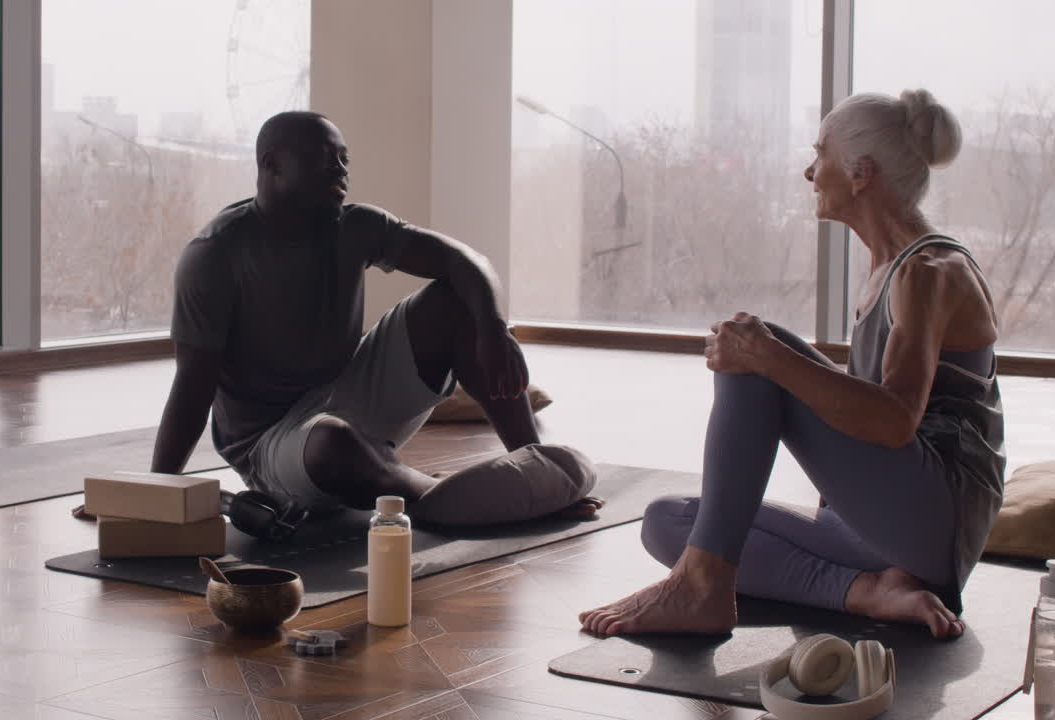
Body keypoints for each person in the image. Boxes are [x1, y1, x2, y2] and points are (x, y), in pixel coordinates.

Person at [579, 89, 1005, 640]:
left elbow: (895, 420)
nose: (810, 171)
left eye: (820, 154)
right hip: (876, 529)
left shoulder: (930, 269)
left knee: (762, 347)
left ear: (861, 174)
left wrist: (768, 356)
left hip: (933, 525)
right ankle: (865, 592)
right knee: (669, 521)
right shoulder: (887, 269)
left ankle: (705, 591)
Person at [76, 110, 598, 522]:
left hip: (349, 394)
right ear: (270, 166)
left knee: (458, 301)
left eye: (344, 159)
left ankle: (537, 467)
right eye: (323, 158)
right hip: (272, 444)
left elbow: (465, 261)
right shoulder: (215, 254)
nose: (340, 170)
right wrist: (151, 495)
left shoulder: (355, 227)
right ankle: (434, 496)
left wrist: (492, 326)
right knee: (332, 441)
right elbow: (193, 387)